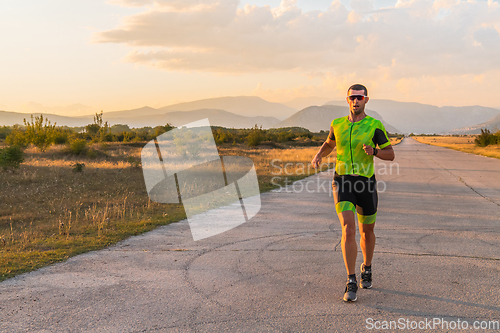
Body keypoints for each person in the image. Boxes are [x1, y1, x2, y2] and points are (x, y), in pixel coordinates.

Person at [311, 84, 395, 302]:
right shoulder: (337, 124)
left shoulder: (374, 125)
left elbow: (390, 154)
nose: (356, 101)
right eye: (352, 97)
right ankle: (350, 280)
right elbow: (330, 144)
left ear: (366, 100)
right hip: (342, 181)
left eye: (360, 97)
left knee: (366, 232)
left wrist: (375, 151)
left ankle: (366, 267)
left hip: (366, 183)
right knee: (348, 229)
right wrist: (319, 155)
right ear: (347, 100)